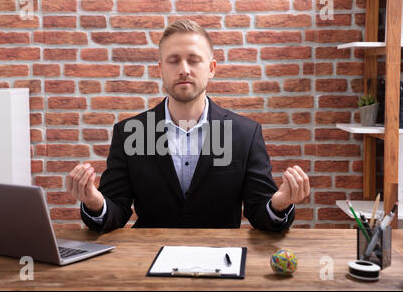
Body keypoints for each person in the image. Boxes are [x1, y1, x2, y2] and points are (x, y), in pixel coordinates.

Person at [66, 20, 310, 233]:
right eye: (174, 61)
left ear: (211, 69)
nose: (184, 69)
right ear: (160, 69)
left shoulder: (245, 133)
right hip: (148, 264)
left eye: (193, 60)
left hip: (220, 261)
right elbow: (115, 213)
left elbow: (260, 214)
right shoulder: (130, 132)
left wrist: (280, 203)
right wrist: (95, 202)